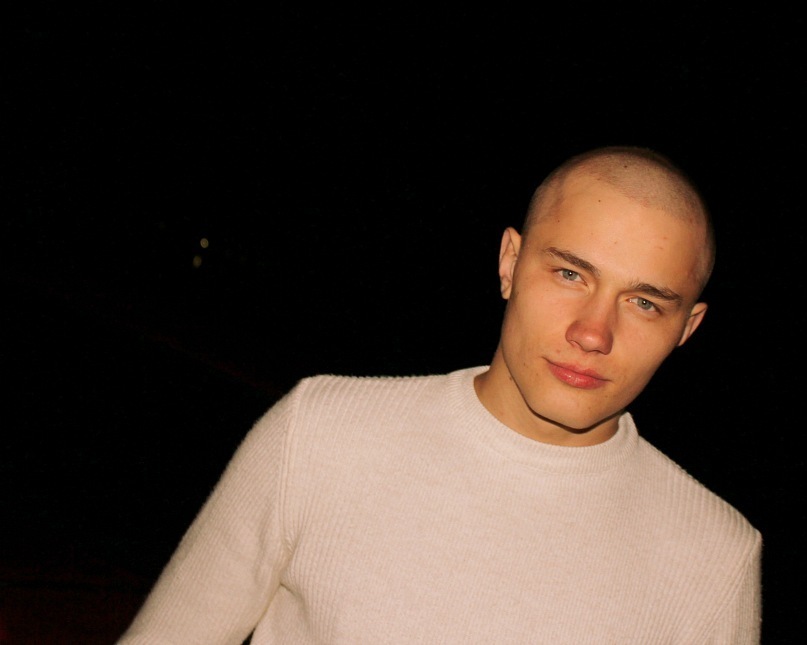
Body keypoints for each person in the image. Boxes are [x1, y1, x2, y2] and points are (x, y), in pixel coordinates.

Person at [118, 145, 762, 643]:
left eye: (644, 303)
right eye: (570, 273)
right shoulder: (319, 434)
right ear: (509, 263)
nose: (593, 333)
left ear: (687, 329)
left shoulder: (714, 559)